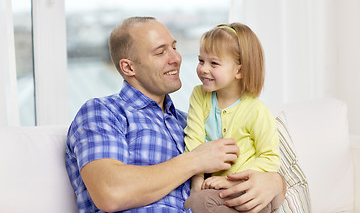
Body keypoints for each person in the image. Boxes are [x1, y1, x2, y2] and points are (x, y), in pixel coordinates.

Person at [65, 16, 286, 213]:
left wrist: (275, 182)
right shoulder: (103, 112)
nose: (176, 58)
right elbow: (110, 192)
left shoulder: (188, 123)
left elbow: (245, 164)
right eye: (161, 52)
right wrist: (196, 160)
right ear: (128, 68)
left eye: (174, 47)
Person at [183, 23, 282, 213]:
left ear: (239, 71)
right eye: (200, 60)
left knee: (260, 203)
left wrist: (231, 181)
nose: (203, 69)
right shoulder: (199, 96)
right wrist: (196, 184)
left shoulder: (256, 110)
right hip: (217, 193)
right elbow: (194, 142)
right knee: (195, 203)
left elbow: (269, 157)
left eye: (214, 63)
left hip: (249, 187)